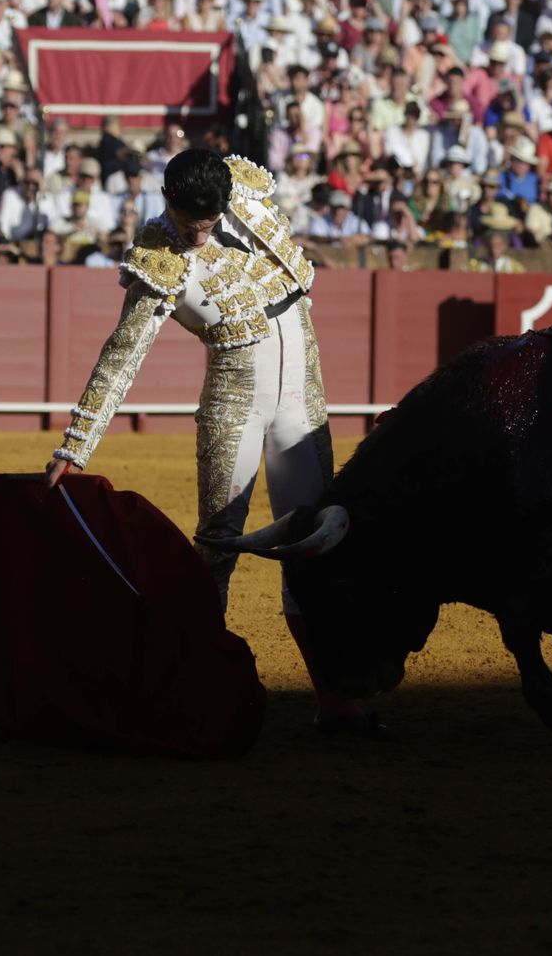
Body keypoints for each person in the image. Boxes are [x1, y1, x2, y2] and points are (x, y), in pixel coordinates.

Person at [44, 149, 386, 738]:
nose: (193, 237)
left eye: (201, 224)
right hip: (236, 410)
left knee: (315, 547)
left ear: (223, 201)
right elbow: (122, 354)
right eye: (183, 222)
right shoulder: (160, 253)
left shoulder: (250, 196)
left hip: (302, 404)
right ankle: (193, 694)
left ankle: (335, 701)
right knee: (217, 549)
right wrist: (76, 444)